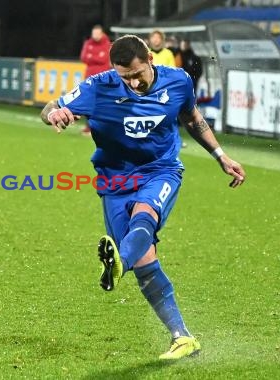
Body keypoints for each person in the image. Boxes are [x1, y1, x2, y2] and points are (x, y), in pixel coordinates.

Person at [40, 35, 245, 360]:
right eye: (126, 78)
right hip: (115, 179)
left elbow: (193, 119)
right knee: (144, 260)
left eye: (138, 74)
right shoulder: (99, 87)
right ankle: (183, 337)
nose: (134, 83)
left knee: (145, 215)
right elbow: (51, 107)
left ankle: (120, 262)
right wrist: (54, 115)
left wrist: (221, 155)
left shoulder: (178, 81)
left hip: (160, 171)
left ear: (150, 58)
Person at [79, 24, 111, 136]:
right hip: (89, 79)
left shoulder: (107, 44)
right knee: (88, 102)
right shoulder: (88, 43)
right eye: (94, 33)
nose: (95, 36)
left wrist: (91, 57)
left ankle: (100, 128)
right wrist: (97, 57)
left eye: (97, 33)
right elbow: (83, 57)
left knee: (101, 104)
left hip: (103, 80)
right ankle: (88, 127)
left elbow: (104, 59)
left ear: (102, 34)